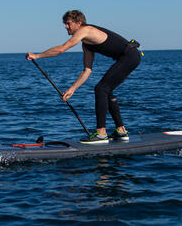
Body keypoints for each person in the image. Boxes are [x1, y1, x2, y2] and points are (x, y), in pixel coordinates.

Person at [26, 10, 141, 144]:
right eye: (65, 24)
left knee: (101, 88)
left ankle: (101, 133)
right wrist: (72, 89)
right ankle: (121, 131)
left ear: (78, 23)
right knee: (106, 90)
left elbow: (61, 49)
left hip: (130, 56)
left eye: (68, 23)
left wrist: (37, 56)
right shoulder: (86, 44)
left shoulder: (85, 30)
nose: (65, 26)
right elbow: (87, 70)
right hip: (129, 57)